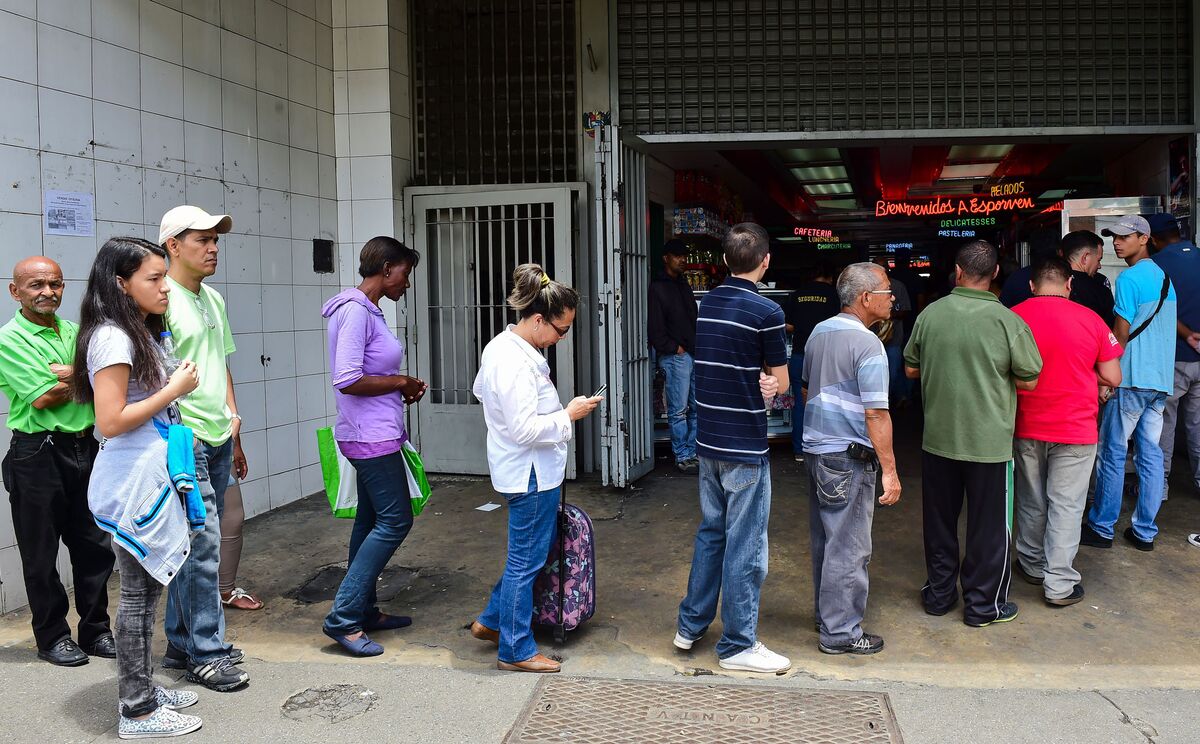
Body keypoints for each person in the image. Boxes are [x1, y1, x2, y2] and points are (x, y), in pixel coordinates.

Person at [73, 237, 203, 738]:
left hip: (147, 475)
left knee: (147, 593)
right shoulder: (112, 337)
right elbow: (111, 420)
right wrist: (174, 389)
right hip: (131, 484)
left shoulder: (136, 332)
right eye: (153, 278)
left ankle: (143, 686)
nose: (164, 286)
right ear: (121, 285)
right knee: (135, 598)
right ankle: (138, 710)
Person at [904, 240, 1042, 628]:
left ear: (958, 271)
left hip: (938, 440)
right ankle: (983, 607)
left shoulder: (931, 314)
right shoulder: (1008, 321)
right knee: (988, 528)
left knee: (939, 522)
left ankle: (939, 596)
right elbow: (1029, 380)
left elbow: (911, 369)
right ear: (996, 274)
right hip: (989, 444)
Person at [469, 264, 600, 673]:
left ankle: (493, 622)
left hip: (529, 469)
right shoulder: (514, 361)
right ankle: (516, 649)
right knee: (525, 561)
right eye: (561, 331)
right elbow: (524, 429)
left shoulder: (506, 349)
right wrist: (568, 415)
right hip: (529, 473)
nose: (562, 339)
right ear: (539, 319)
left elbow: (482, 393)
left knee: (532, 555)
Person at [674, 223, 791, 674]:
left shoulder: (708, 303)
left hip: (709, 441)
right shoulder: (766, 311)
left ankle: (690, 626)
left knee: (712, 533)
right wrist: (768, 385)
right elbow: (779, 383)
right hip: (744, 444)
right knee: (746, 545)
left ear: (724, 262)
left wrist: (756, 381)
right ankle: (739, 643)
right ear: (765, 261)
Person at [0, 257, 115, 666]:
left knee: (95, 546)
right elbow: (45, 397)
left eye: (55, 284)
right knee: (41, 551)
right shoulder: (9, 339)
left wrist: (73, 373)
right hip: (37, 453)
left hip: (86, 445)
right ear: (16, 291)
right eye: (36, 285)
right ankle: (51, 637)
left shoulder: (76, 331)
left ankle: (96, 631)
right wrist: (86, 374)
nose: (48, 292)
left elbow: (103, 378)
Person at [320, 237, 428, 657]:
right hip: (369, 437)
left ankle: (363, 610)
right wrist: (401, 382)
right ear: (386, 269)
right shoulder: (353, 312)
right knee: (395, 521)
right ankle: (343, 618)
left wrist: (399, 387)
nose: (407, 283)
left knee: (369, 521)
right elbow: (347, 378)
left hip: (377, 432)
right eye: (405, 273)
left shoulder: (369, 311)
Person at [157, 205, 250, 692]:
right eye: (202, 240)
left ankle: (181, 643)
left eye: (216, 240)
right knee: (204, 541)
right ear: (173, 245)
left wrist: (233, 419)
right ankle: (207, 652)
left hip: (216, 433)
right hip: (185, 435)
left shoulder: (212, 298)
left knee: (192, 542)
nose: (213, 248)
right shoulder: (160, 298)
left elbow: (221, 363)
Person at [801, 262, 901, 655]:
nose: (892, 298)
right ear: (865, 298)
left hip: (817, 452)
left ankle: (827, 615)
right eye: (887, 291)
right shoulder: (868, 345)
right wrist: (890, 472)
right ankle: (841, 632)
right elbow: (876, 413)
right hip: (848, 456)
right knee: (849, 546)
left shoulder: (818, 333)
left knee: (826, 540)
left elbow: (809, 389)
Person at [1011, 258, 1123, 607]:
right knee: (1067, 504)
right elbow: (1114, 377)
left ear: (1032, 285)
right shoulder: (1091, 319)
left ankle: (1031, 565)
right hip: (1076, 427)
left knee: (1031, 497)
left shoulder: (1012, 317)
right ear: (1069, 285)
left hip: (1025, 423)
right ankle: (1058, 584)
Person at [1083, 216, 1177, 551]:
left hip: (1132, 378)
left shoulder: (1128, 278)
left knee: (1112, 451)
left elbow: (1120, 334)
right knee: (1150, 454)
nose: (1117, 243)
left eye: (1125, 237)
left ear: (1144, 238)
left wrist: (1108, 378)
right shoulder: (1165, 278)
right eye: (1114, 237)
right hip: (1160, 382)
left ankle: (1102, 525)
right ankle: (1144, 531)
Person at [1149, 213, 1200, 498]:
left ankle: (1161, 485)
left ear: (1154, 240)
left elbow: (1159, 310)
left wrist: (1186, 334)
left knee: (1163, 424)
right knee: (1198, 425)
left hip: (1173, 359)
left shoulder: (1157, 264)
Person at [648, 239, 699, 472]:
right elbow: (655, 329)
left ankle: (693, 452)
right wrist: (674, 348)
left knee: (696, 408)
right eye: (678, 256)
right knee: (679, 411)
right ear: (666, 258)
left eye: (685, 256)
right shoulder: (657, 287)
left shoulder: (683, 284)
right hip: (677, 355)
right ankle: (683, 456)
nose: (683, 260)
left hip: (692, 353)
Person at [783, 262, 839, 461]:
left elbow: (788, 326)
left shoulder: (797, 294)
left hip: (800, 353)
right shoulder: (834, 295)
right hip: (827, 356)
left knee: (801, 403)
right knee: (829, 401)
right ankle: (826, 448)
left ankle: (799, 450)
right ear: (829, 276)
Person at [1061, 230, 1116, 326]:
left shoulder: (1049, 283)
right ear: (1085, 257)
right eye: (1098, 260)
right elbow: (1109, 329)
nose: (1099, 266)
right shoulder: (1100, 290)